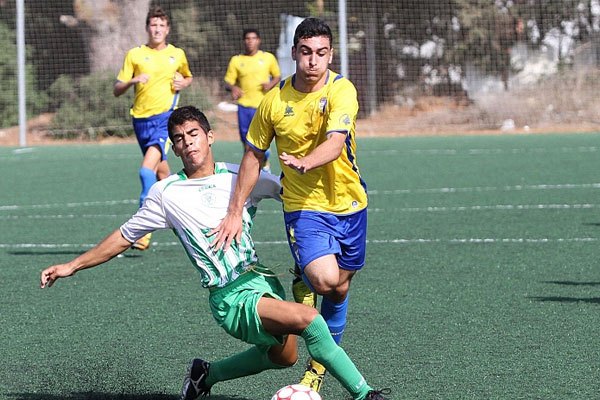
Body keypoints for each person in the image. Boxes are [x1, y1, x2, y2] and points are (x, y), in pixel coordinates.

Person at [39, 106, 390, 400]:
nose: (187, 142)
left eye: (193, 133)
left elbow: (293, 194)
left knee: (284, 357)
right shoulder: (166, 194)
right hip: (230, 297)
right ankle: (365, 394)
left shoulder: (241, 176)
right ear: (174, 149)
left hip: (261, 281)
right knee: (310, 321)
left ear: (209, 137)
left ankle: (204, 375)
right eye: (178, 139)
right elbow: (124, 236)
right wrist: (73, 265)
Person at [210, 17, 368, 393]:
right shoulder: (275, 101)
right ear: (294, 53)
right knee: (324, 280)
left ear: (330, 55)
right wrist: (235, 211)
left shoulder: (342, 90)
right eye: (306, 52)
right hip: (304, 205)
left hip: (350, 203)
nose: (313, 61)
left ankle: (316, 361)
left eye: (322, 54)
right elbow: (252, 156)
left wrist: (307, 160)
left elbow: (335, 141)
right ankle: (316, 361)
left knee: (340, 290)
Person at [114, 5, 193, 251]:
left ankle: (142, 231)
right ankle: (188, 210)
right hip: (140, 120)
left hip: (165, 119)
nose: (157, 29)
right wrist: (133, 81)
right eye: (153, 25)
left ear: (167, 29)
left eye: (161, 25)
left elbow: (188, 77)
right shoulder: (135, 55)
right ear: (147, 28)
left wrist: (184, 81)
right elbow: (117, 88)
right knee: (163, 174)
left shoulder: (176, 54)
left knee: (146, 171)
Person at [224, 28, 281, 172]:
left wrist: (270, 84)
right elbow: (228, 82)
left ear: (259, 40)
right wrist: (234, 88)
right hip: (244, 106)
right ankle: (251, 169)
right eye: (248, 39)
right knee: (246, 142)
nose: (250, 41)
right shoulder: (236, 60)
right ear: (244, 41)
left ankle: (265, 166)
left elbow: (277, 76)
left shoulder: (268, 58)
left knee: (261, 139)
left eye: (253, 38)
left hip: (262, 106)